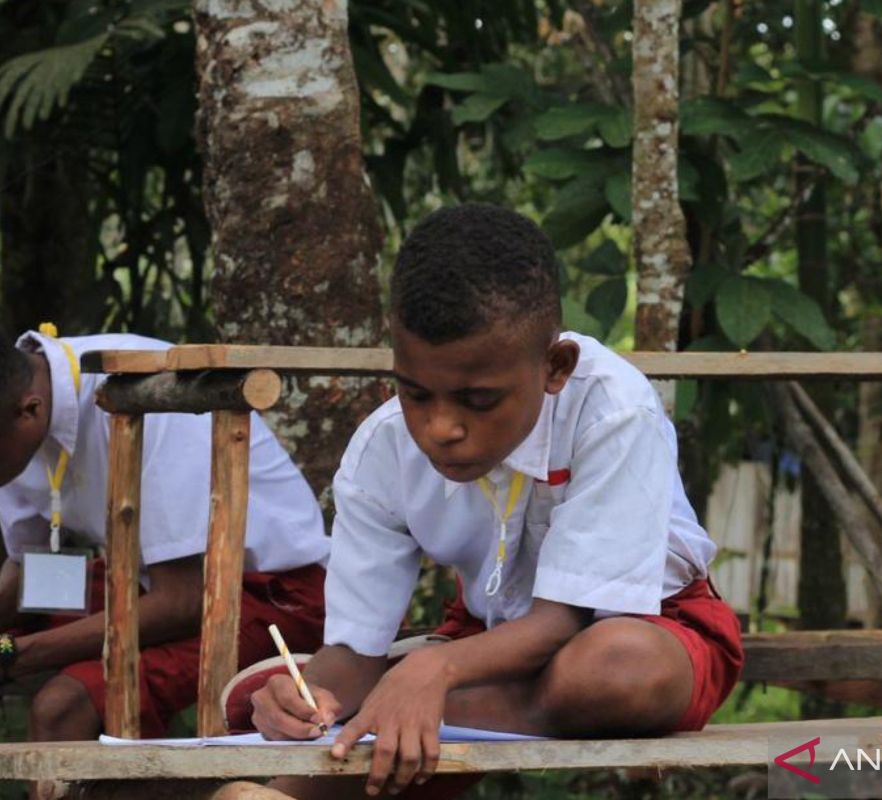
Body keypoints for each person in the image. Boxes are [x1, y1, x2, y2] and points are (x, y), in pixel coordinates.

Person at [242, 204, 744, 798]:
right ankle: (289, 786)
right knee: (279, 698)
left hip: (654, 626)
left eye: (476, 401)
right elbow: (354, 653)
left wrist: (434, 672)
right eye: (415, 393)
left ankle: (408, 720)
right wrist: (307, 701)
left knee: (611, 670)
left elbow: (567, 620)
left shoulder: (612, 411)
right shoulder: (381, 451)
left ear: (555, 368)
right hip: (484, 643)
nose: (440, 428)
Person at [0, 318, 328, 800]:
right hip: (143, 584)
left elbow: (185, 599)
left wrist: (2, 657)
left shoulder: (152, 389)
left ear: (28, 412)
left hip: (271, 597)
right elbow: (29, 560)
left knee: (62, 706)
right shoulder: (0, 411)